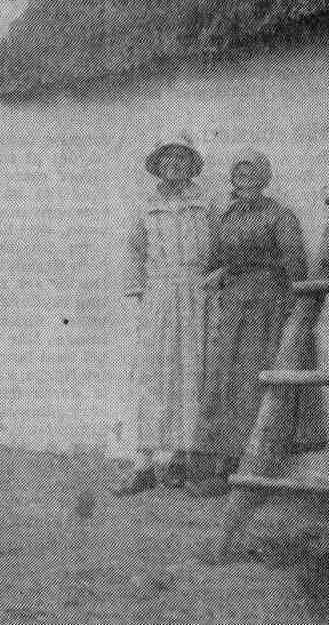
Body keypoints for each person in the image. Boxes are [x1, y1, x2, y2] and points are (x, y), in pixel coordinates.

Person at [187, 148, 326, 496]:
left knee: (253, 380)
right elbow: (217, 260)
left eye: (250, 173)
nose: (243, 179)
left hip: (267, 306)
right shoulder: (227, 216)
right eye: (238, 173)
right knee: (223, 380)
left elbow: (295, 264)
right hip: (233, 305)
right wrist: (221, 273)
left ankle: (250, 466)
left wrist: (295, 308)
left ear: (264, 178)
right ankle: (218, 465)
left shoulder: (280, 215)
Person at [113, 135, 219, 496]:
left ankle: (181, 459)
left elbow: (221, 247)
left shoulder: (207, 203)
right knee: (154, 373)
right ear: (157, 165)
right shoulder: (146, 204)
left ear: (192, 164)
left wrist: (215, 280)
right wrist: (138, 294)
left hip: (198, 293)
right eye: (167, 157)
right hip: (159, 294)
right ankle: (143, 462)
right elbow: (134, 250)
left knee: (193, 371)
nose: (174, 163)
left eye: (181, 157)